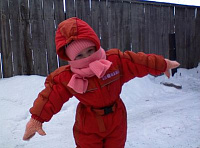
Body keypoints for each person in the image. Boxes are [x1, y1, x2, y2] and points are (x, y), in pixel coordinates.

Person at [23, 17, 180, 148]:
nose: (87, 57)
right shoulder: (67, 77)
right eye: (79, 55)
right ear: (70, 58)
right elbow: (50, 96)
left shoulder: (113, 62)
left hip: (116, 118)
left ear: (95, 45)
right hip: (88, 123)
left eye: (90, 51)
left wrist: (162, 64)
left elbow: (138, 62)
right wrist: (36, 119)